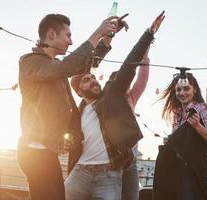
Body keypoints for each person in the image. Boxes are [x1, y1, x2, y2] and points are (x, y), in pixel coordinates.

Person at [17, 13, 126, 200]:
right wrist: (97, 33)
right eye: (67, 35)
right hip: (34, 152)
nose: (70, 41)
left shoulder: (56, 66)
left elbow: (82, 64)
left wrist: (106, 40)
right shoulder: (29, 62)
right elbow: (68, 66)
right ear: (51, 34)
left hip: (46, 152)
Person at [65, 11, 165, 200]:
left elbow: (129, 65)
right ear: (79, 90)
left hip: (109, 175)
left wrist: (149, 34)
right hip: (81, 172)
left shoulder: (112, 93)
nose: (93, 81)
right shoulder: (77, 113)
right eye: (87, 80)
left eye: (93, 77)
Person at [153, 73, 207, 200]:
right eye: (178, 89)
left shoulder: (202, 107)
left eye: (186, 89)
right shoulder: (177, 112)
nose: (182, 93)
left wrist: (198, 126)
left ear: (194, 89)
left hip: (193, 168)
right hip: (175, 168)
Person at [109, 50, 150, 200]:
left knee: (132, 196)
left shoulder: (130, 98)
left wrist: (144, 56)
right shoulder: (105, 102)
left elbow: (142, 79)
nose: (127, 87)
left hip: (131, 160)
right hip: (111, 160)